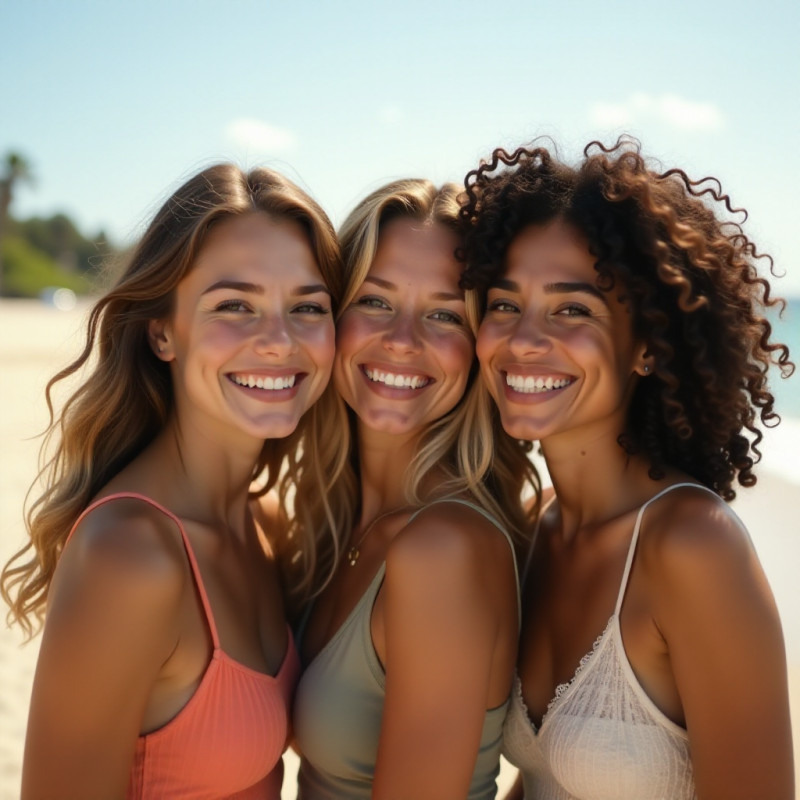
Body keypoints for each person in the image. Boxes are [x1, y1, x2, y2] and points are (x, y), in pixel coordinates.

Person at [459, 138, 795, 800]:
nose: (524, 339)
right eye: (505, 304)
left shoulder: (694, 546)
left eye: (573, 309)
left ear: (646, 345)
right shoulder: (535, 532)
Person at [0, 163, 343, 799]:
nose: (279, 340)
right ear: (163, 332)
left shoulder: (260, 521)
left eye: (307, 307)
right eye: (234, 306)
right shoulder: (130, 555)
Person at [289, 178, 539, 800]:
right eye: (375, 302)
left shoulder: (444, 549)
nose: (403, 339)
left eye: (444, 315)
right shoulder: (330, 522)